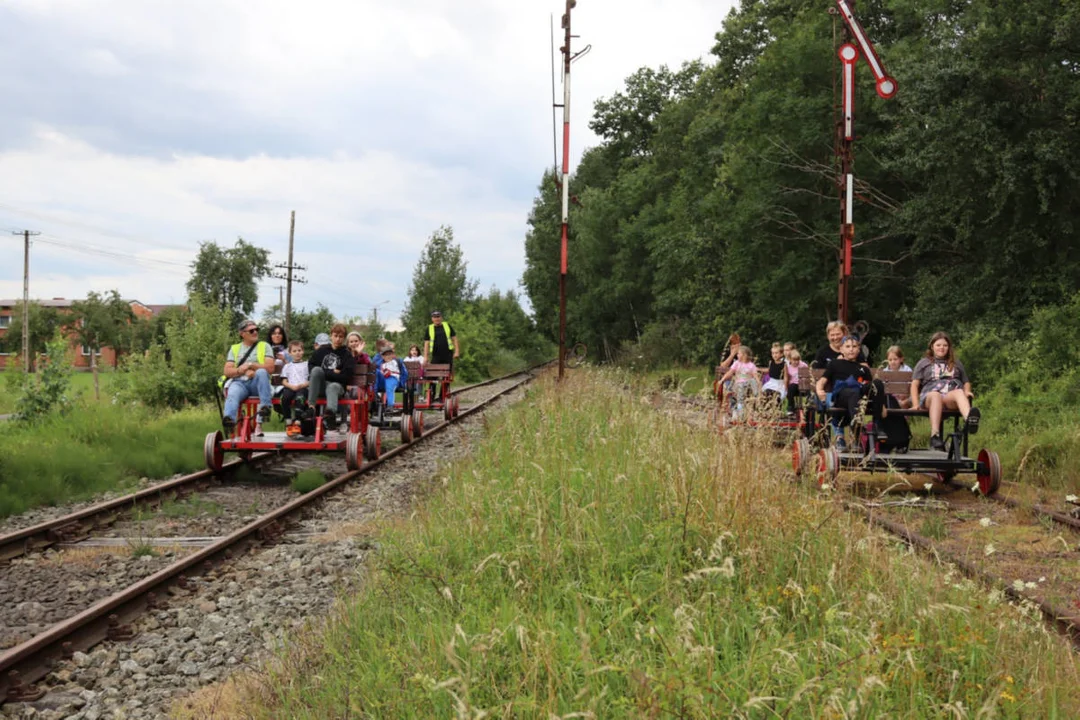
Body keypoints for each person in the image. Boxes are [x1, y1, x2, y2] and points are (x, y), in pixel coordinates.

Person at [911, 332, 980, 452]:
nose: (941, 348)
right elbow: (914, 385)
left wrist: (967, 391)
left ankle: (969, 420)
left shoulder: (956, 362)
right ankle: (935, 435)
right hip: (931, 396)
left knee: (959, 392)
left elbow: (966, 381)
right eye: (938, 345)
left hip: (949, 395)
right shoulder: (924, 362)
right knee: (936, 395)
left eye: (945, 345)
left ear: (949, 347)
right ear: (932, 346)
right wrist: (916, 404)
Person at [816, 335, 885, 451]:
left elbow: (870, 388)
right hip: (841, 396)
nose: (851, 349)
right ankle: (856, 431)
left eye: (854, 346)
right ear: (841, 349)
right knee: (853, 392)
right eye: (847, 346)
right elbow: (822, 381)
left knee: (877, 383)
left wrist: (881, 404)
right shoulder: (835, 364)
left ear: (859, 350)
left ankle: (877, 425)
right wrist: (819, 391)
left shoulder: (863, 368)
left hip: (858, 396)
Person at [221, 319, 276, 437]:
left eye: (257, 329)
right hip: (240, 383)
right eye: (251, 330)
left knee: (261, 372)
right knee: (233, 392)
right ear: (242, 334)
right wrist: (240, 370)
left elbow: (270, 368)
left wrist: (251, 365)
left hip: (259, 383)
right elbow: (227, 371)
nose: (255, 332)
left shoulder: (264, 346)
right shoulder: (235, 349)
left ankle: (265, 410)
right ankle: (229, 421)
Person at [307, 324, 356, 431]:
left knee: (332, 386)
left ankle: (330, 415)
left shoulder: (346, 355)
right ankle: (311, 408)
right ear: (331, 336)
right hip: (320, 386)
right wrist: (333, 373)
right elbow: (311, 367)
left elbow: (346, 377)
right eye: (335, 336)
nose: (338, 339)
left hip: (338, 387)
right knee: (316, 370)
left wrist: (328, 374)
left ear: (344, 338)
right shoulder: (321, 350)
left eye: (341, 337)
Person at [718, 346, 760, 417]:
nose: (737, 355)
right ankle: (740, 411)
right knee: (740, 387)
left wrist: (759, 383)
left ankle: (756, 396)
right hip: (738, 384)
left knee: (752, 380)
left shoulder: (751, 365)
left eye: (738, 354)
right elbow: (730, 372)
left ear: (744, 355)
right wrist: (722, 379)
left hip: (747, 384)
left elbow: (755, 376)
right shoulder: (737, 363)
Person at [280, 340, 310, 438]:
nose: (297, 353)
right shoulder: (287, 366)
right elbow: (284, 381)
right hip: (291, 387)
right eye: (294, 351)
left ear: (303, 351)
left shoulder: (307, 365)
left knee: (300, 398)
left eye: (299, 350)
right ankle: (288, 421)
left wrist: (302, 385)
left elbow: (311, 381)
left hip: (303, 387)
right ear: (290, 353)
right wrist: (291, 386)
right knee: (285, 397)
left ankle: (298, 421)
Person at [378, 345, 408, 412]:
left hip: (393, 378)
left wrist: (402, 382)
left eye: (389, 354)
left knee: (389, 385)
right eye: (385, 355)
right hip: (383, 379)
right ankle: (375, 402)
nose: (388, 356)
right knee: (375, 379)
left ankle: (390, 405)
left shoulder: (397, 361)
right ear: (382, 356)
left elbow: (405, 373)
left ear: (392, 354)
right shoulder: (381, 363)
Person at [761, 343, 787, 407]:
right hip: (771, 382)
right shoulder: (771, 362)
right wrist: (758, 369)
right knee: (766, 393)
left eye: (776, 353)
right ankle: (767, 410)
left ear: (781, 354)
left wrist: (785, 387)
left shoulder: (784, 364)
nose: (774, 355)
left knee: (777, 396)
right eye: (773, 353)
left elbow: (786, 377)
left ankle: (777, 410)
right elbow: (769, 370)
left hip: (780, 383)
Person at [785, 348, 808, 415]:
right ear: (790, 360)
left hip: (802, 384)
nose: (796, 362)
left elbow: (807, 376)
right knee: (791, 388)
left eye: (797, 360)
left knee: (808, 389)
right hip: (794, 385)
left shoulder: (803, 365)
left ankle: (808, 407)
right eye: (794, 360)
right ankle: (791, 408)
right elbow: (787, 378)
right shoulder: (788, 367)